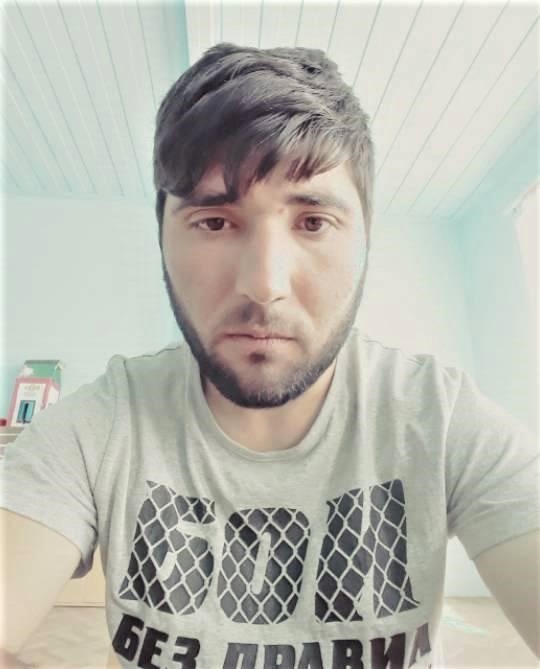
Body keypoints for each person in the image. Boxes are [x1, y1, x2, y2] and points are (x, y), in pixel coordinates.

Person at [0, 42, 538, 669]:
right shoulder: (99, 428)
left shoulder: (440, 419)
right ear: (162, 237)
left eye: (312, 222)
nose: (264, 285)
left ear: (364, 240)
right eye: (214, 221)